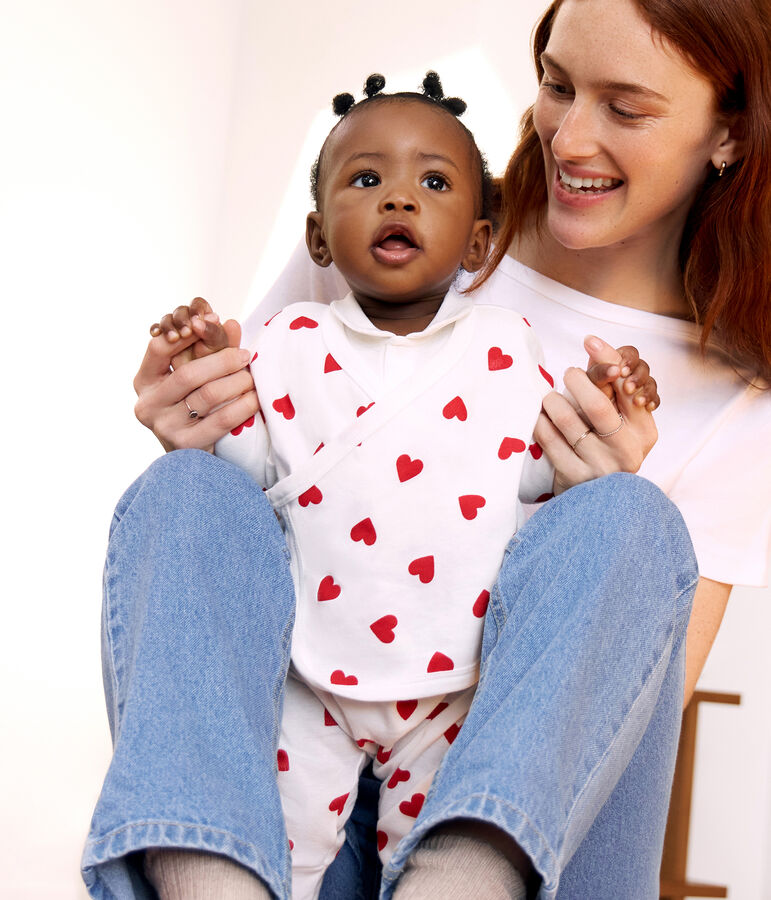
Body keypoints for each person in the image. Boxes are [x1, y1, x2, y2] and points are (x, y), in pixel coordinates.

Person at [82, 0, 771, 898]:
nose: (566, 139)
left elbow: (634, 713)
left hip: (515, 818)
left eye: (625, 108)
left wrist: (577, 508)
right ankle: (210, 874)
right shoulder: (402, 214)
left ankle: (462, 877)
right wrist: (196, 425)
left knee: (625, 518)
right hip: (297, 774)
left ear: (729, 130)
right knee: (184, 494)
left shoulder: (738, 395)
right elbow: (254, 478)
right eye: (556, 86)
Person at [155, 72, 658, 900]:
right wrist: (201, 379)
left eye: (432, 182)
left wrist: (606, 412)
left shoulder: (504, 348)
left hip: (449, 689)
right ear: (318, 239)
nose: (398, 200)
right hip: (309, 677)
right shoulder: (288, 341)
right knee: (282, 860)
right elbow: (249, 478)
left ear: (476, 242)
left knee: (434, 864)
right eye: (366, 180)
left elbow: (532, 475)